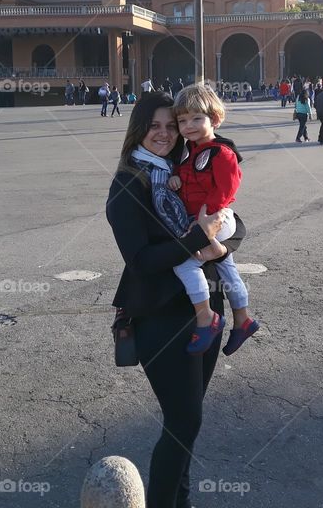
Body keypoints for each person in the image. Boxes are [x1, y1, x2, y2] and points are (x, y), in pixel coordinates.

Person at [106, 92, 244, 508]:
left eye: (171, 125)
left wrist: (221, 244)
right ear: (139, 130)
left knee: (188, 422)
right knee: (183, 421)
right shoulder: (130, 182)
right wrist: (197, 239)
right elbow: (142, 260)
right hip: (162, 317)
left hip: (206, 312)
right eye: (155, 126)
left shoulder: (187, 170)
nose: (164, 134)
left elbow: (234, 224)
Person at [167, 84, 259, 354]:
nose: (188, 126)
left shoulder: (222, 152)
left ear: (214, 119)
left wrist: (204, 219)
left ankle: (206, 319)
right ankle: (243, 319)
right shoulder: (188, 151)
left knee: (185, 264)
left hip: (217, 217)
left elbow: (227, 189)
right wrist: (175, 178)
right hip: (205, 218)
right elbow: (186, 178)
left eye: (197, 118)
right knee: (226, 266)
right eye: (182, 120)